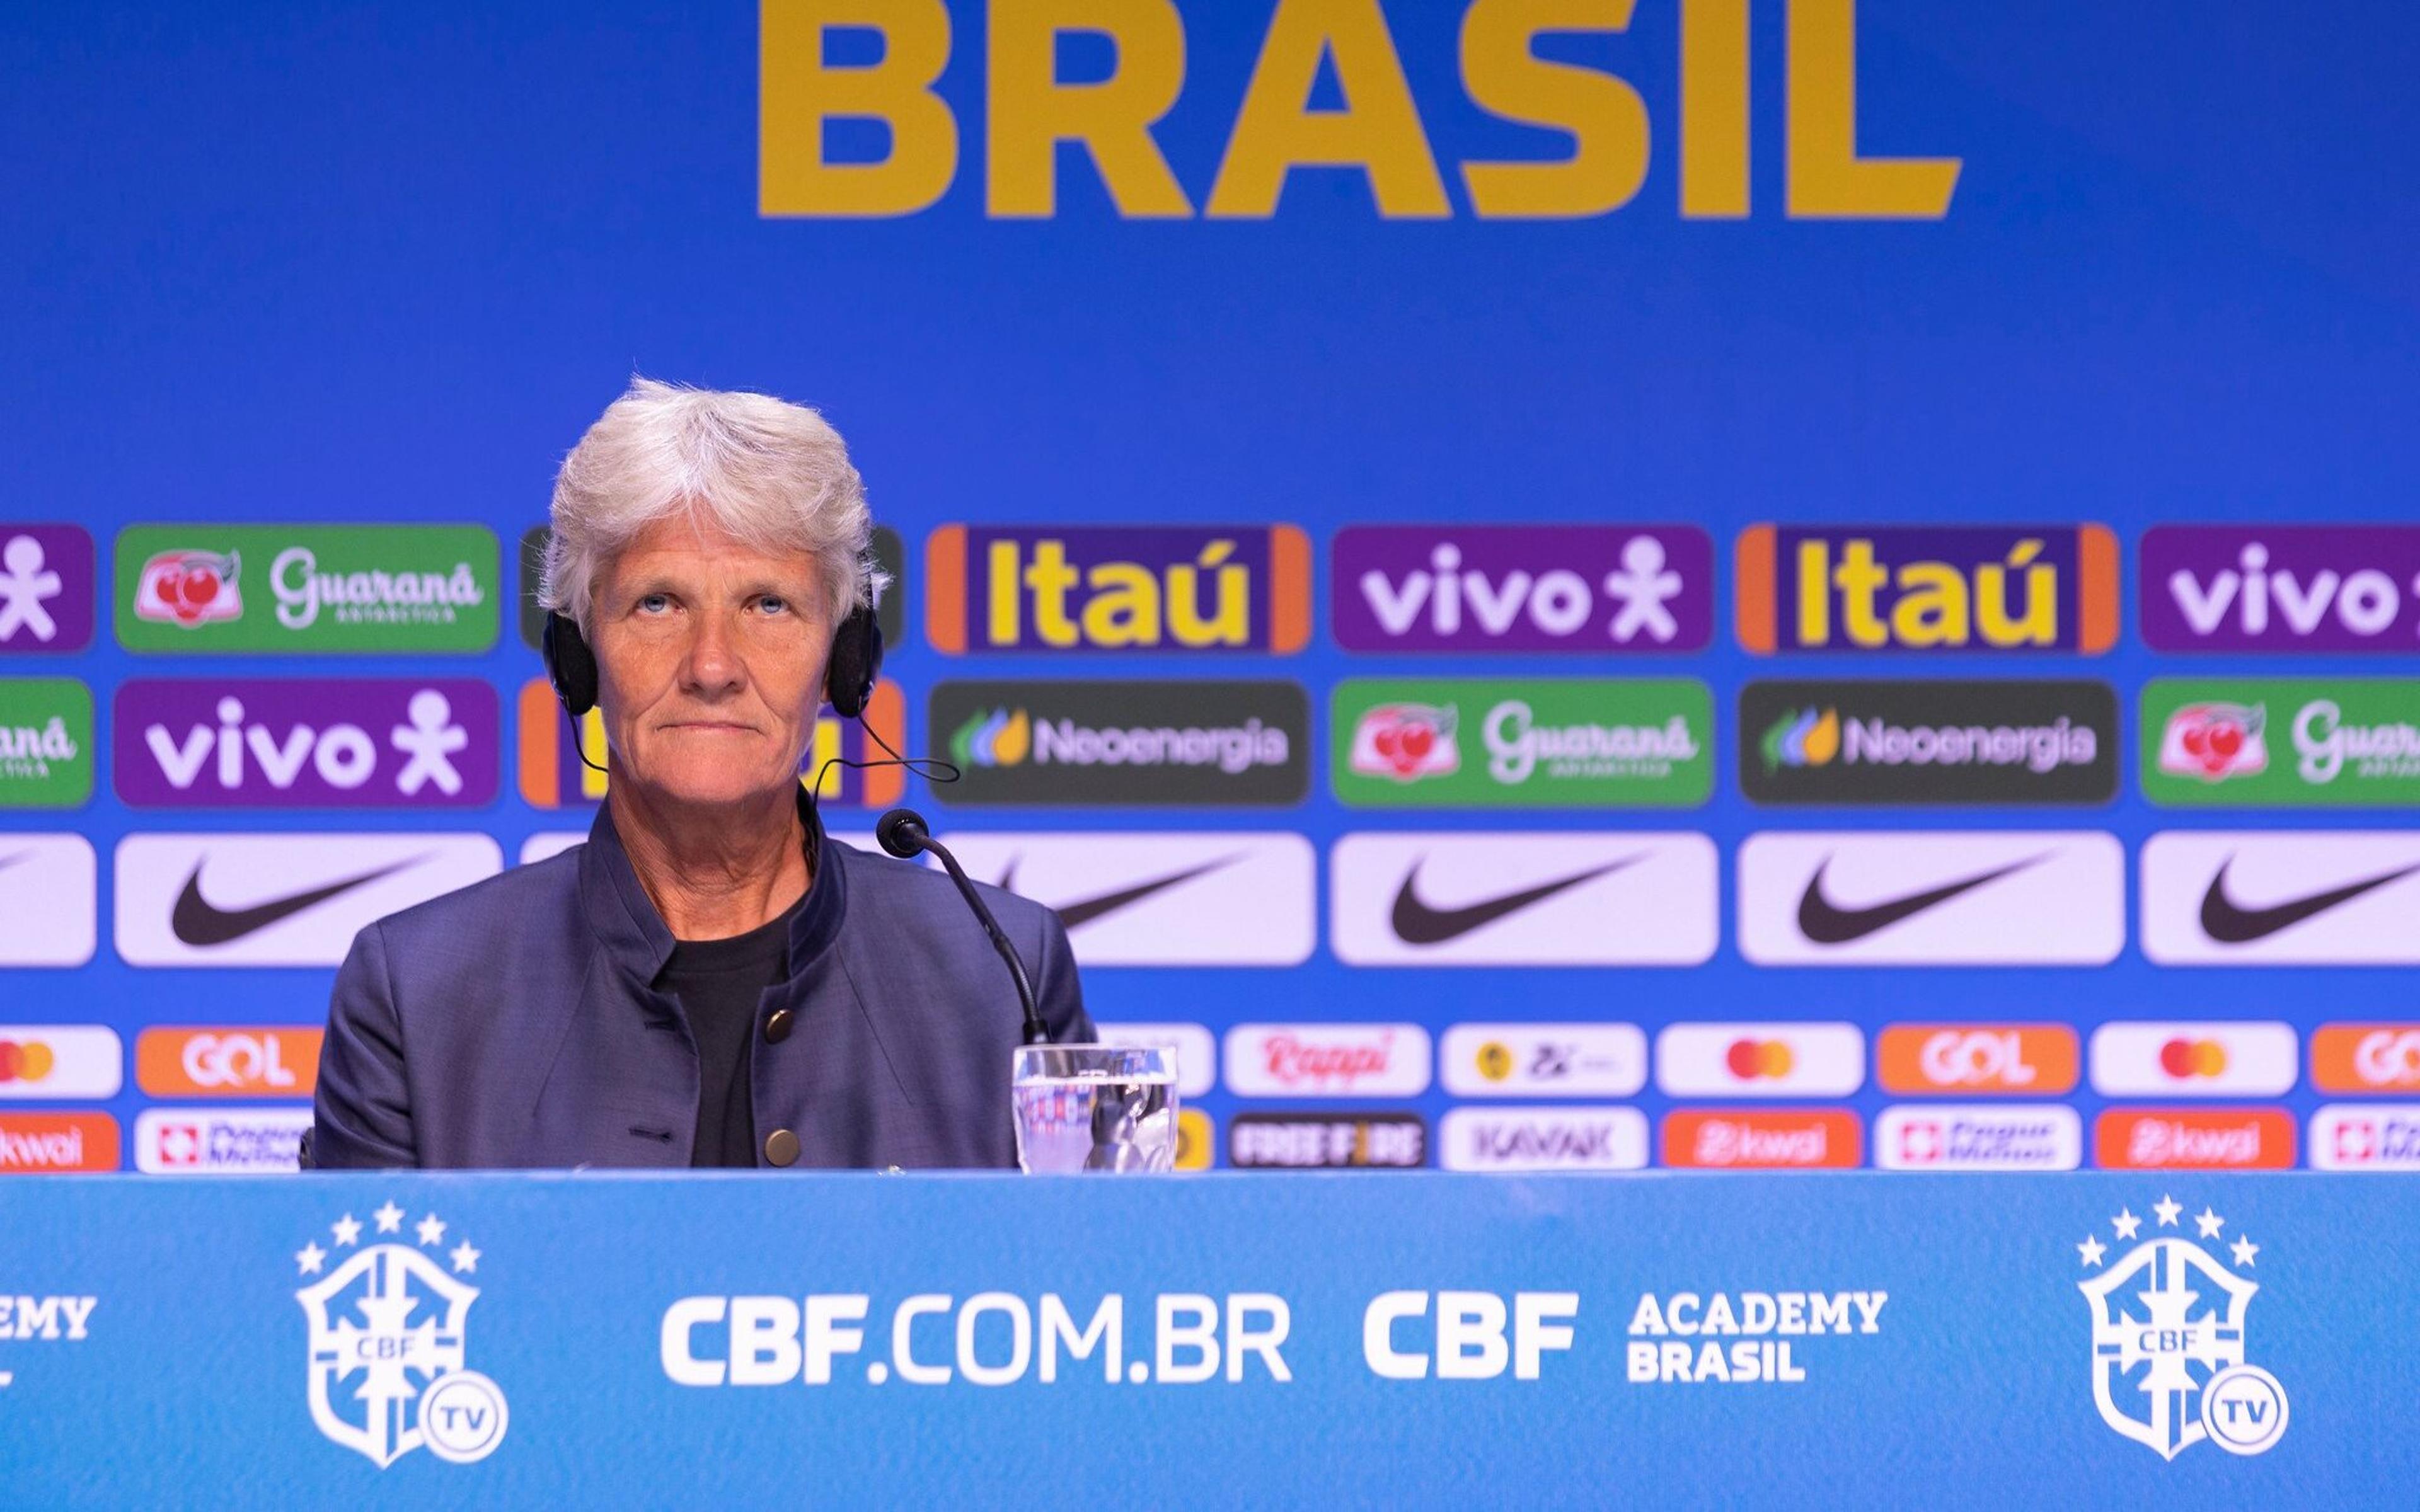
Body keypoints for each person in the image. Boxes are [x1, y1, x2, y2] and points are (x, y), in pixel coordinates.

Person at [307, 379, 1090, 1169]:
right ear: (579, 659)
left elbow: (1079, 1282)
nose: (712, 666)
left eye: (768, 605)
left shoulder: (1004, 974)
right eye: (658, 604)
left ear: (840, 664)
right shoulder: (415, 992)